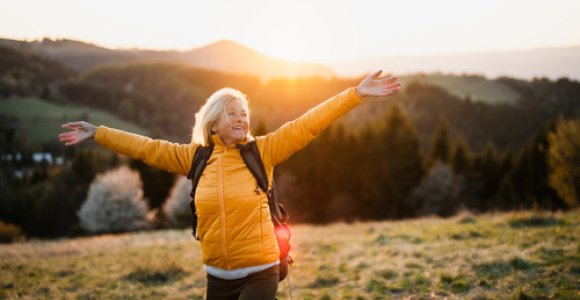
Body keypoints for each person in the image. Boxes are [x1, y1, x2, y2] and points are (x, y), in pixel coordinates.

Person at [59, 70, 400, 299]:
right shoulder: (194, 159)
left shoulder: (262, 151)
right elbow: (146, 148)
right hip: (217, 276)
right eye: (232, 113)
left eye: (244, 113)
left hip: (261, 272)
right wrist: (98, 133)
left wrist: (354, 94)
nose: (241, 118)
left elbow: (307, 124)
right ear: (212, 122)